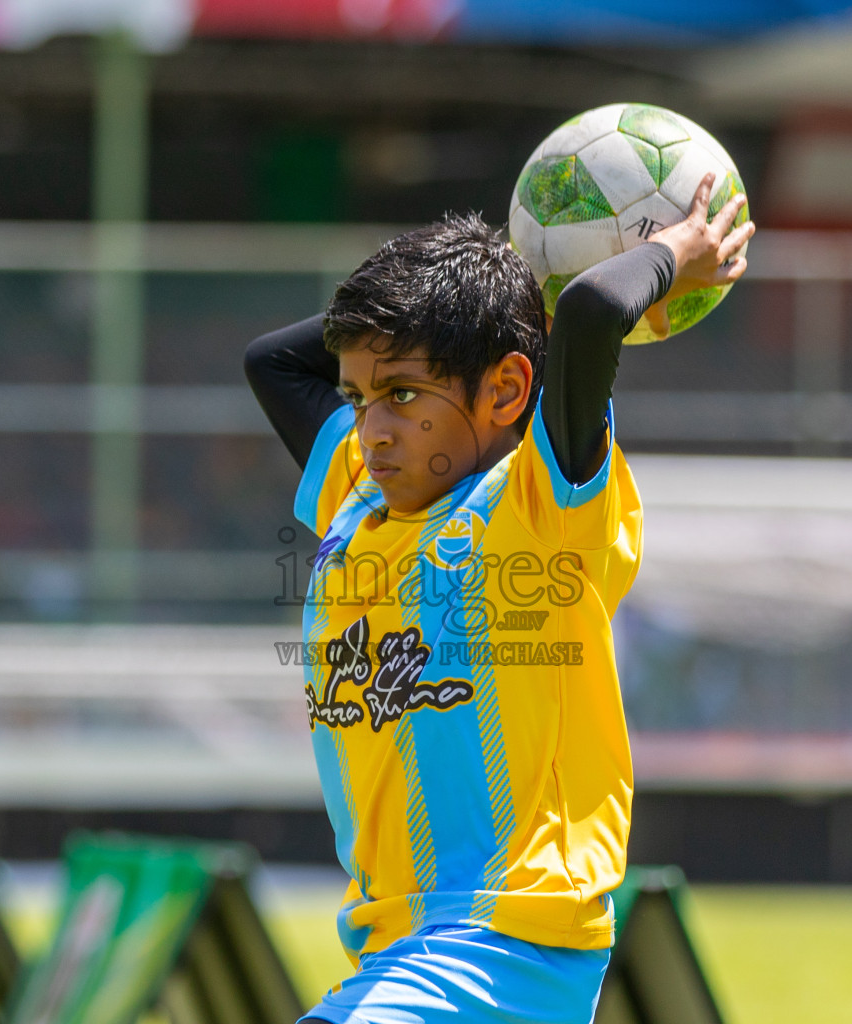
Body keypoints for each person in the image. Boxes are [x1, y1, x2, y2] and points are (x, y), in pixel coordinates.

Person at [244, 173, 753, 1024]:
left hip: (511, 935)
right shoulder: (360, 490)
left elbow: (592, 308)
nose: (372, 427)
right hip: (399, 942)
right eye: (361, 399)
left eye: (404, 395)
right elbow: (275, 360)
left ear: (509, 392)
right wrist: (486, 272)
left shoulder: (537, 505)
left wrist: (670, 252)